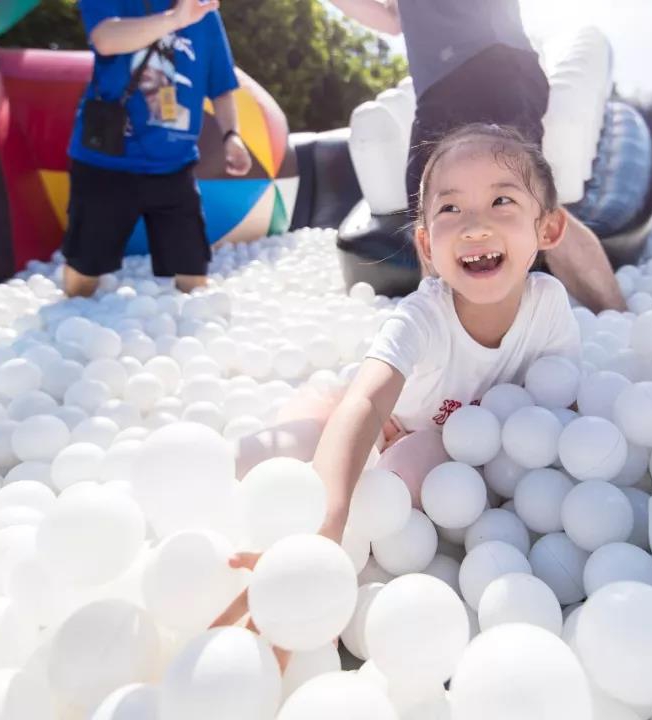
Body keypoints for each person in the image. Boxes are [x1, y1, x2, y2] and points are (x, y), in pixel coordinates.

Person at [211, 124, 583, 655]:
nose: (476, 226)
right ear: (428, 245)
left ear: (547, 229)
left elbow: (558, 409)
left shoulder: (548, 305)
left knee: (403, 475)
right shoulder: (422, 316)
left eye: (502, 201)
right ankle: (244, 535)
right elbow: (364, 401)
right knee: (273, 450)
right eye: (452, 209)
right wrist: (325, 525)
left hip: (445, 443)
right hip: (371, 415)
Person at [329, 0, 625, 313]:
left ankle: (448, 338)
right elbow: (393, 19)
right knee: (471, 210)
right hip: (469, 76)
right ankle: (452, 337)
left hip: (475, 67)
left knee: (479, 206)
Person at [62, 0, 252, 298]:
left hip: (175, 167)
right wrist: (174, 19)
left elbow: (221, 85)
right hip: (107, 163)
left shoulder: (205, 14)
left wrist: (232, 135)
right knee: (84, 275)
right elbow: (105, 39)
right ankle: (65, 323)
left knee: (193, 277)